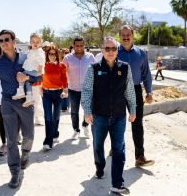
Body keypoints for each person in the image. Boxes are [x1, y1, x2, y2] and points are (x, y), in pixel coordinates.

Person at [82, 37, 136, 195]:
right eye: (107, 49)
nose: (111, 52)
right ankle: (99, 167)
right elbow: (86, 91)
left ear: (117, 50)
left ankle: (117, 183)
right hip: (99, 116)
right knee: (98, 146)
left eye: (113, 49)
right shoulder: (93, 68)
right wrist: (87, 111)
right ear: (102, 50)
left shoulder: (125, 68)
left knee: (119, 149)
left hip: (119, 116)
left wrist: (132, 109)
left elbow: (129, 91)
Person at [0, 29, 36, 188]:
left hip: (25, 102)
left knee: (29, 135)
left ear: (14, 41)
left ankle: (26, 154)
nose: (4, 43)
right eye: (1, 41)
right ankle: (15, 172)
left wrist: (27, 77)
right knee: (11, 140)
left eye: (6, 39)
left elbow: (40, 76)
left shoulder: (26, 57)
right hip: (7, 103)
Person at [118, 25, 155, 167]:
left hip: (135, 89)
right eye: (123, 35)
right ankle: (115, 148)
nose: (126, 37)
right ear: (119, 36)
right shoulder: (114, 52)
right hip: (118, 91)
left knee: (137, 123)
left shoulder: (141, 53)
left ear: (133, 36)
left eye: (128, 35)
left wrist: (149, 92)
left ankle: (140, 157)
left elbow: (146, 74)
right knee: (116, 122)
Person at [62, 37, 95, 139]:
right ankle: (76, 130)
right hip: (73, 89)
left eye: (81, 45)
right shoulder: (67, 58)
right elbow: (63, 73)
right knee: (74, 111)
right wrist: (64, 88)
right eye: (77, 46)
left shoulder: (90, 57)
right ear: (73, 45)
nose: (79, 48)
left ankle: (85, 125)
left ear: (84, 45)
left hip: (87, 89)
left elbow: (95, 71)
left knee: (87, 110)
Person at [41, 45, 68, 150]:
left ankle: (55, 133)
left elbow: (64, 79)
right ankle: (48, 141)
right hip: (46, 94)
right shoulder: (43, 65)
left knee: (56, 117)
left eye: (54, 54)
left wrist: (65, 90)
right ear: (47, 55)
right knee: (48, 117)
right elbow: (39, 78)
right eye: (50, 54)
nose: (52, 56)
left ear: (57, 55)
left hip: (58, 94)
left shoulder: (62, 66)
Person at [12, 33, 44, 108]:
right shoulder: (31, 51)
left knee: (21, 74)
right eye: (33, 41)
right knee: (27, 82)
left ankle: (20, 91)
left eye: (37, 42)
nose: (35, 43)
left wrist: (40, 71)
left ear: (40, 43)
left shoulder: (39, 51)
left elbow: (41, 61)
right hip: (31, 69)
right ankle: (29, 96)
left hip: (35, 71)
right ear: (30, 42)